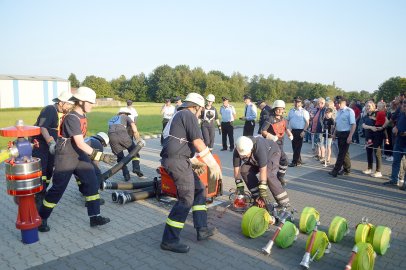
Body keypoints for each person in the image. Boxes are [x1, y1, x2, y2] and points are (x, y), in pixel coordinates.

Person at [38, 87, 115, 232]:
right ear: (80, 101)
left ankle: (95, 216)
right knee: (58, 189)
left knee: (92, 182)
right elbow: (79, 142)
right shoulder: (72, 117)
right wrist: (101, 156)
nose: (92, 105)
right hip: (66, 156)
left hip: (78, 154)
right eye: (90, 102)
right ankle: (41, 217)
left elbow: (80, 144)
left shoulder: (82, 116)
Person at [160, 93, 222, 253]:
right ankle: (169, 240)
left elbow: (179, 144)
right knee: (186, 199)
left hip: (179, 160)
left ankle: (202, 228)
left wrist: (193, 162)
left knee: (200, 189)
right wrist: (212, 164)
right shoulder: (188, 114)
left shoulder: (178, 115)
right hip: (178, 161)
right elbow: (197, 141)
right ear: (197, 107)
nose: (201, 112)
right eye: (201, 109)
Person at [32, 91, 74, 207]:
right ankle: (38, 196)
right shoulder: (50, 109)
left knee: (49, 170)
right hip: (40, 145)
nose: (70, 107)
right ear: (61, 102)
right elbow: (43, 127)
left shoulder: (61, 113)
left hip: (50, 147)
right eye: (69, 104)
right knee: (42, 171)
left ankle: (43, 192)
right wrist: (50, 142)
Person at [233, 136, 290, 208]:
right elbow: (236, 169)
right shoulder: (239, 148)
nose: (243, 157)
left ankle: (284, 203)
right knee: (244, 170)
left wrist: (263, 190)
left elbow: (263, 170)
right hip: (256, 160)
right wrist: (240, 187)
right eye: (242, 156)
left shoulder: (259, 146)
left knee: (268, 174)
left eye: (245, 155)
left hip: (272, 154)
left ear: (251, 149)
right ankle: (257, 198)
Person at [261, 100, 293, 185]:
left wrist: (290, 134)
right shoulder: (270, 119)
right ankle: (265, 180)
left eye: (281, 109)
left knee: (284, 160)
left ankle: (280, 176)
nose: (279, 111)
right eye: (277, 109)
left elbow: (286, 128)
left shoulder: (284, 119)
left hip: (280, 144)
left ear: (283, 110)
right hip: (271, 144)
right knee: (271, 163)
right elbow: (263, 131)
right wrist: (271, 136)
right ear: (274, 109)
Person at [108, 107, 143, 181]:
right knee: (135, 151)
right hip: (122, 134)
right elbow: (134, 127)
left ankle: (126, 175)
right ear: (126, 114)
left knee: (120, 157)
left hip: (111, 137)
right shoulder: (125, 117)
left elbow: (111, 129)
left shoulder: (112, 119)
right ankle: (136, 168)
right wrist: (138, 140)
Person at [75, 132, 110, 206]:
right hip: (81, 160)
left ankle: (84, 191)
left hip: (73, 160)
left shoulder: (90, 139)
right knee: (96, 175)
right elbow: (95, 162)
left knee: (80, 177)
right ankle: (91, 200)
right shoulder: (98, 144)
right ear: (103, 141)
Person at [328, 97, 356, 177]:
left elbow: (353, 124)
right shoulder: (339, 111)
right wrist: (334, 133)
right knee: (344, 153)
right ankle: (347, 169)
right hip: (339, 133)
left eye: (336, 104)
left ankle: (336, 170)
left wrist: (350, 136)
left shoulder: (349, 111)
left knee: (341, 153)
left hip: (346, 134)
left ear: (340, 103)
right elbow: (337, 124)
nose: (335, 106)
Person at [383, 98, 406, 188]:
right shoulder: (400, 113)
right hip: (399, 142)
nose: (404, 105)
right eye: (404, 103)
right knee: (396, 162)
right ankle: (394, 180)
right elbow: (394, 122)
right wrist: (394, 127)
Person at [287, 96, 309, 167]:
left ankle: (294, 162)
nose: (296, 103)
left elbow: (307, 122)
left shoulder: (304, 111)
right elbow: (287, 120)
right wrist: (288, 129)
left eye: (298, 102)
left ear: (301, 103)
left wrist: (304, 131)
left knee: (298, 147)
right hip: (293, 131)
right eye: (295, 101)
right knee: (294, 146)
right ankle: (298, 160)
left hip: (300, 131)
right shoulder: (291, 111)